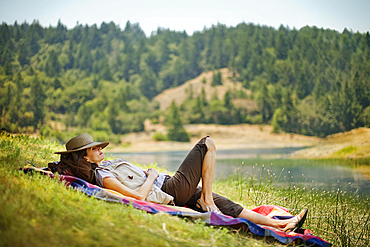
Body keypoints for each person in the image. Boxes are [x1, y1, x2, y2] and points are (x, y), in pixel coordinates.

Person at [53, 133, 308, 232]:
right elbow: (138, 198)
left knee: (231, 207)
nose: (99, 148)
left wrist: (147, 173)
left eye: (98, 145)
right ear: (83, 155)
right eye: (93, 148)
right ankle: (206, 200)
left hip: (170, 186)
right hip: (168, 189)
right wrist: (152, 176)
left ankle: (283, 224)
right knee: (207, 143)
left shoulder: (109, 165)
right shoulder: (102, 176)